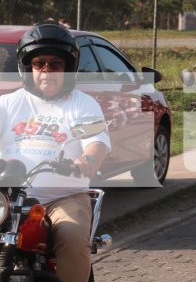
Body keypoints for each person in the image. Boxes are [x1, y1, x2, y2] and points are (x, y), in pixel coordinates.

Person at [0, 23, 110, 282]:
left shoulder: (84, 104)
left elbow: (97, 141)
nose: (46, 71)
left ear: (68, 68)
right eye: (39, 64)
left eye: (55, 64)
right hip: (8, 197)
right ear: (28, 68)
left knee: (72, 237)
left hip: (63, 198)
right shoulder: (7, 104)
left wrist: (85, 161)